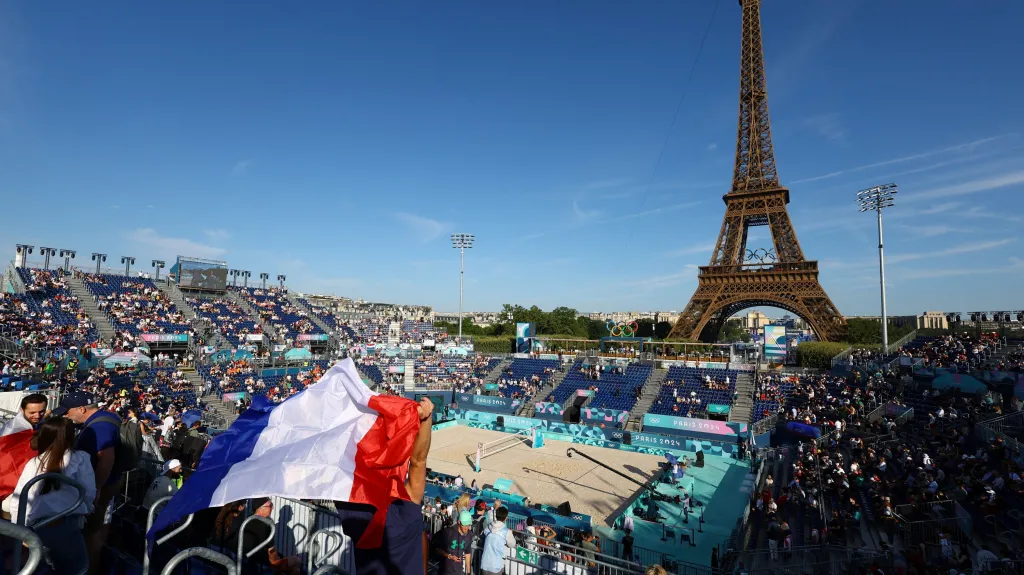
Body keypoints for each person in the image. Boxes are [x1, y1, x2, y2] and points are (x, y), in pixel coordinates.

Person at [333, 396, 434, 574]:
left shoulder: (355, 510)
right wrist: (425, 420)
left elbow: (337, 465)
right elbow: (418, 460)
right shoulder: (407, 505)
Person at [10, 417, 96, 575]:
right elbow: (89, 491)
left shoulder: (34, 462)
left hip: (37, 526)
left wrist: (20, 530)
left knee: (44, 568)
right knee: (78, 568)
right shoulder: (80, 458)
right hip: (66, 523)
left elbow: (19, 498)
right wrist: (89, 508)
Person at [53, 392, 123, 575]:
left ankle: (89, 570)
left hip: (100, 487)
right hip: (103, 484)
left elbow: (106, 458)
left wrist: (97, 488)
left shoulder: (100, 426)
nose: (66, 415)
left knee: (91, 532)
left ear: (81, 409)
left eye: (68, 411)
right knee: (96, 529)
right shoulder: (105, 418)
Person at [229, 497, 300, 574]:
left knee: (294, 568)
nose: (273, 507)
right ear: (260, 508)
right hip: (259, 562)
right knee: (296, 561)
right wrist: (278, 560)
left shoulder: (247, 521)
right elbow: (272, 553)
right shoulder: (267, 525)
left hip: (243, 560)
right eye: (270, 505)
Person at [432, 509, 473, 574]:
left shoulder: (469, 534)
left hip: (459, 571)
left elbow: (468, 554)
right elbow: (437, 550)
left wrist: (468, 573)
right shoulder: (448, 532)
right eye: (464, 524)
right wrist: (449, 556)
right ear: (459, 522)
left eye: (468, 525)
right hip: (445, 571)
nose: (466, 528)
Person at [480, 505, 516, 575]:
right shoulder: (506, 531)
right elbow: (512, 544)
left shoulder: (488, 527)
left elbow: (484, 533)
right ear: (506, 518)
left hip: (484, 564)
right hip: (496, 566)